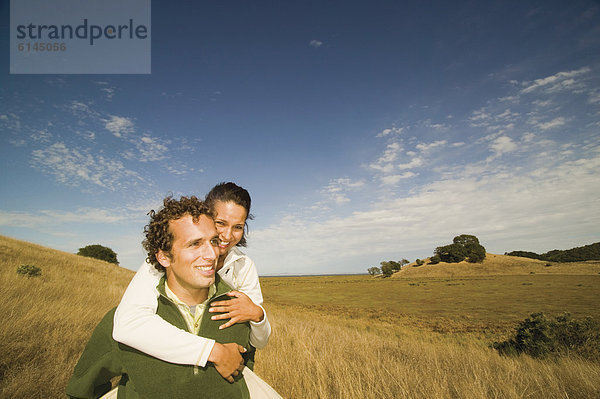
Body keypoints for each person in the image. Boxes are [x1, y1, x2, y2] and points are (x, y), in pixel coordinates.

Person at [67, 196, 253, 398]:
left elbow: (244, 379)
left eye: (213, 241)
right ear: (163, 257)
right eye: (195, 244)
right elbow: (82, 388)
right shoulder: (123, 320)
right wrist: (212, 351)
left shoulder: (237, 314)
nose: (211, 254)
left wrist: (258, 315)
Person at [112, 182, 271, 383]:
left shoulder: (244, 266)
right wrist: (213, 351)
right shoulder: (168, 258)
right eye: (220, 223)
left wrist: (258, 314)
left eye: (238, 227)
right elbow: (128, 323)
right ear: (204, 216)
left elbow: (259, 341)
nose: (228, 236)